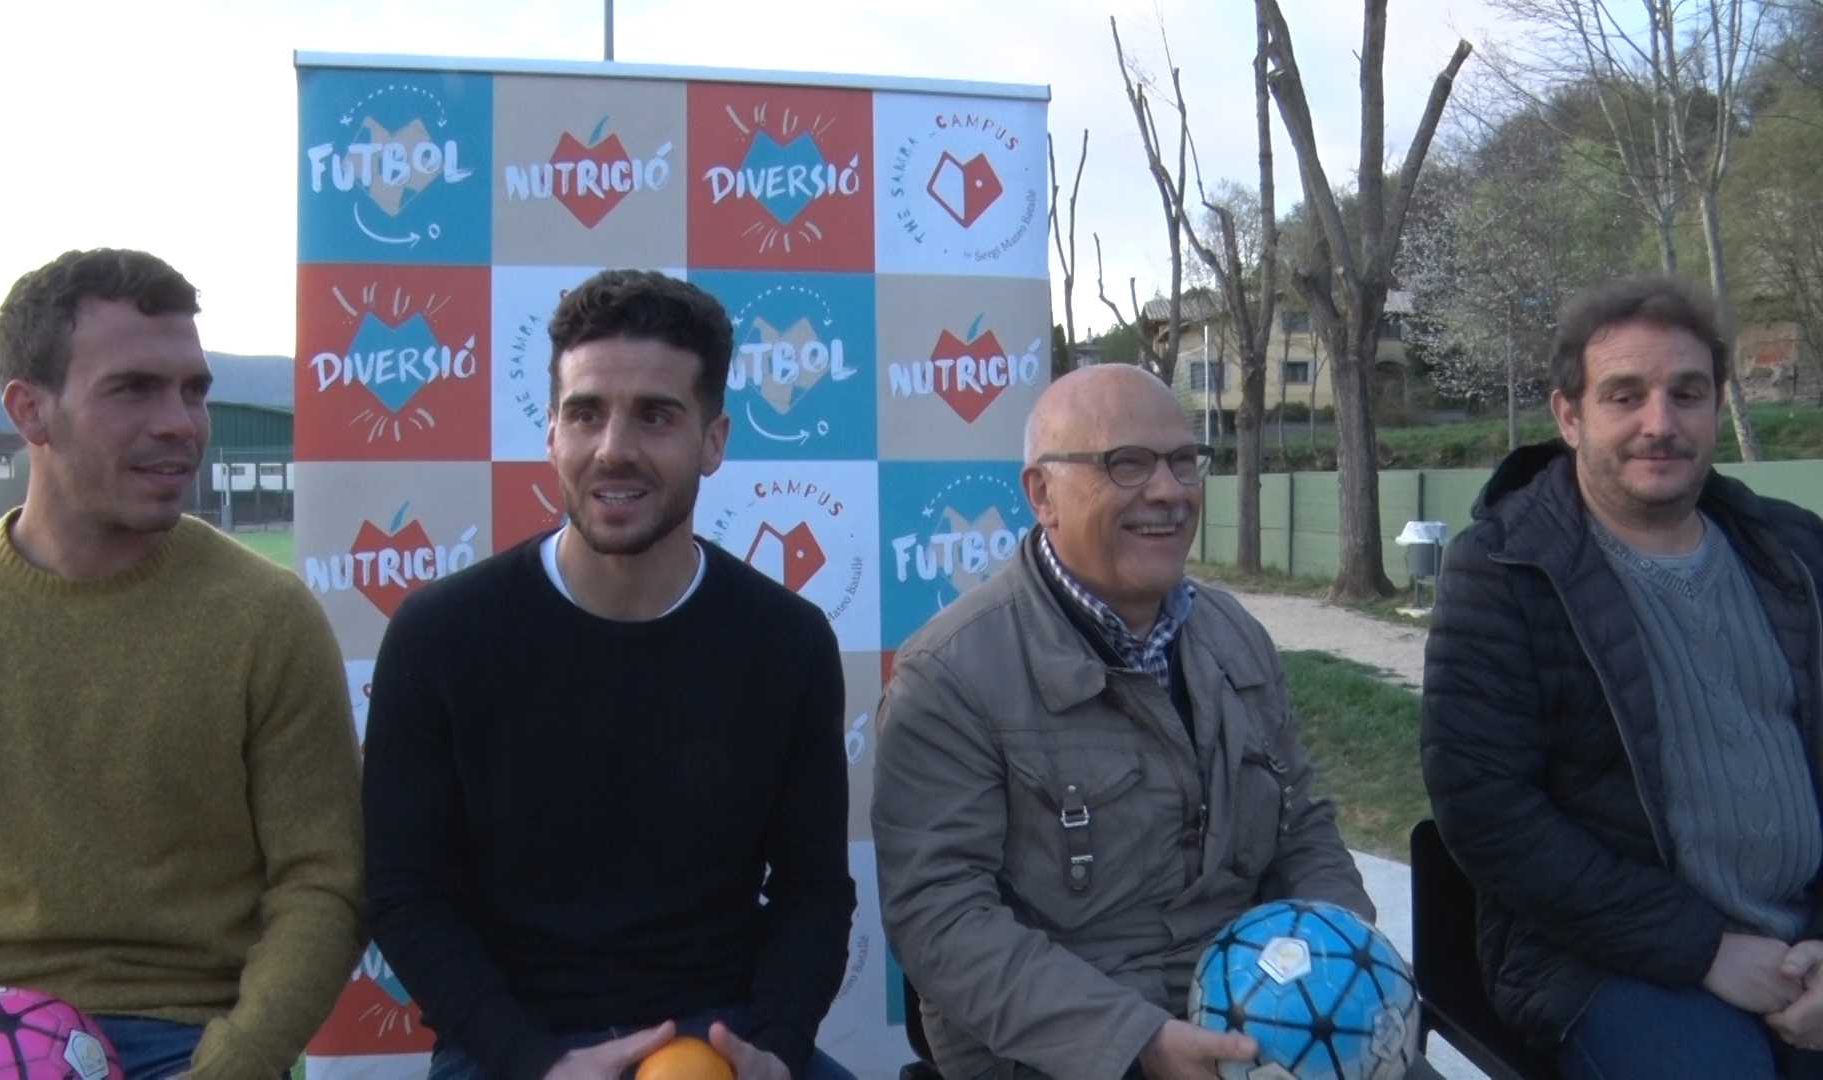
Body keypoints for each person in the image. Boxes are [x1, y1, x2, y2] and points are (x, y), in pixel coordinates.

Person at [362, 269, 855, 1080]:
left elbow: (814, 894)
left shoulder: (788, 641)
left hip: (722, 1037)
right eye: (586, 413)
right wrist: (534, 1060)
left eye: (655, 415)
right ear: (551, 433)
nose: (613, 448)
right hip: (513, 1045)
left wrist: (774, 1050)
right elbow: (404, 895)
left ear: (714, 441)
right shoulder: (440, 636)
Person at [0, 248, 365, 1078]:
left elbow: (324, 881)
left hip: (186, 1038)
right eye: (134, 389)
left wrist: (233, 1063)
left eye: (193, 390)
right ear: (30, 411)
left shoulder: (267, 618)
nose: (180, 423)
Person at [871, 363, 1373, 1080]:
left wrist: (1348, 967)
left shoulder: (1237, 638)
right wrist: (1138, 1040)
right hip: (1065, 1057)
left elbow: (1306, 830)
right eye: (1127, 464)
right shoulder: (951, 675)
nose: (1169, 491)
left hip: (1270, 1025)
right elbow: (941, 921)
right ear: (1041, 494)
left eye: (1183, 461)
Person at [1421, 275, 1823, 1079]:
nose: (1660, 424)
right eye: (1625, 395)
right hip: (1602, 960)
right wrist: (1704, 949)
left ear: (1717, 405)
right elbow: (1485, 808)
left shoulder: (1795, 554)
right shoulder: (1505, 570)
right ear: (1569, 416)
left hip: (1802, 938)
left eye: (1687, 393)